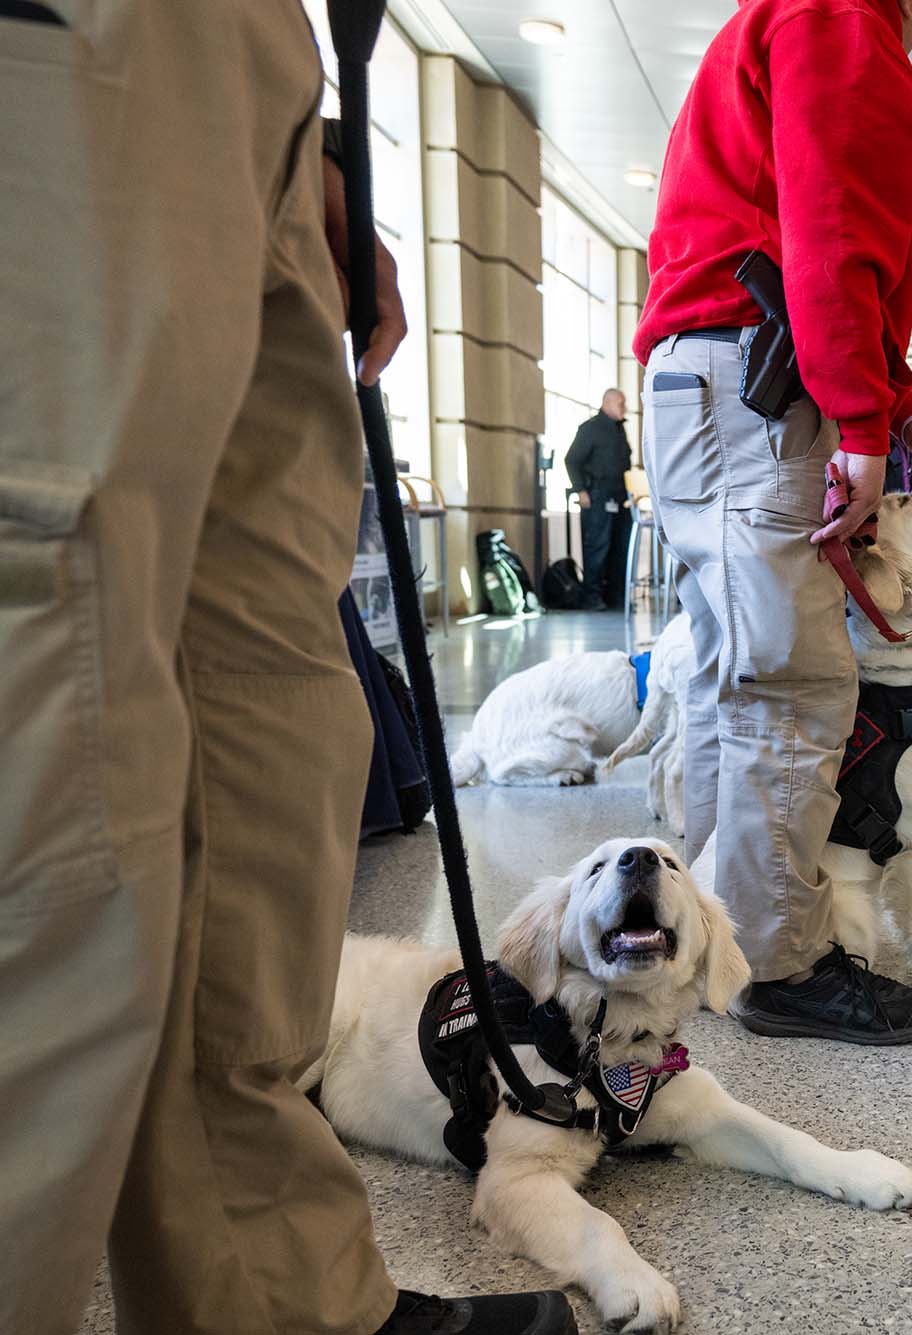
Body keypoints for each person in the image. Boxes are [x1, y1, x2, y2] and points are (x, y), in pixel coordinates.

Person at [0, 4, 595, 1329]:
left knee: (265, 733)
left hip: (249, 69)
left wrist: (302, 133)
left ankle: (276, 1303)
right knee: (55, 781)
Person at [633, 0, 912, 1046]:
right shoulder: (836, 12)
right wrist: (862, 423)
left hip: (725, 369)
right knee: (785, 680)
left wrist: (894, 402)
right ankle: (776, 965)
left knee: (730, 669)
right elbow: (830, 227)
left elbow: (820, 235)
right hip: (759, 375)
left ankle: (713, 937)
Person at [564, 388, 633, 611]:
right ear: (607, 403)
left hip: (621, 496)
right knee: (598, 547)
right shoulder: (590, 429)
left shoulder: (620, 430)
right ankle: (592, 597)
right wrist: (581, 490)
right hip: (597, 497)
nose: (624, 408)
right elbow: (572, 460)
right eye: (620, 404)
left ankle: (616, 597)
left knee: (620, 547)